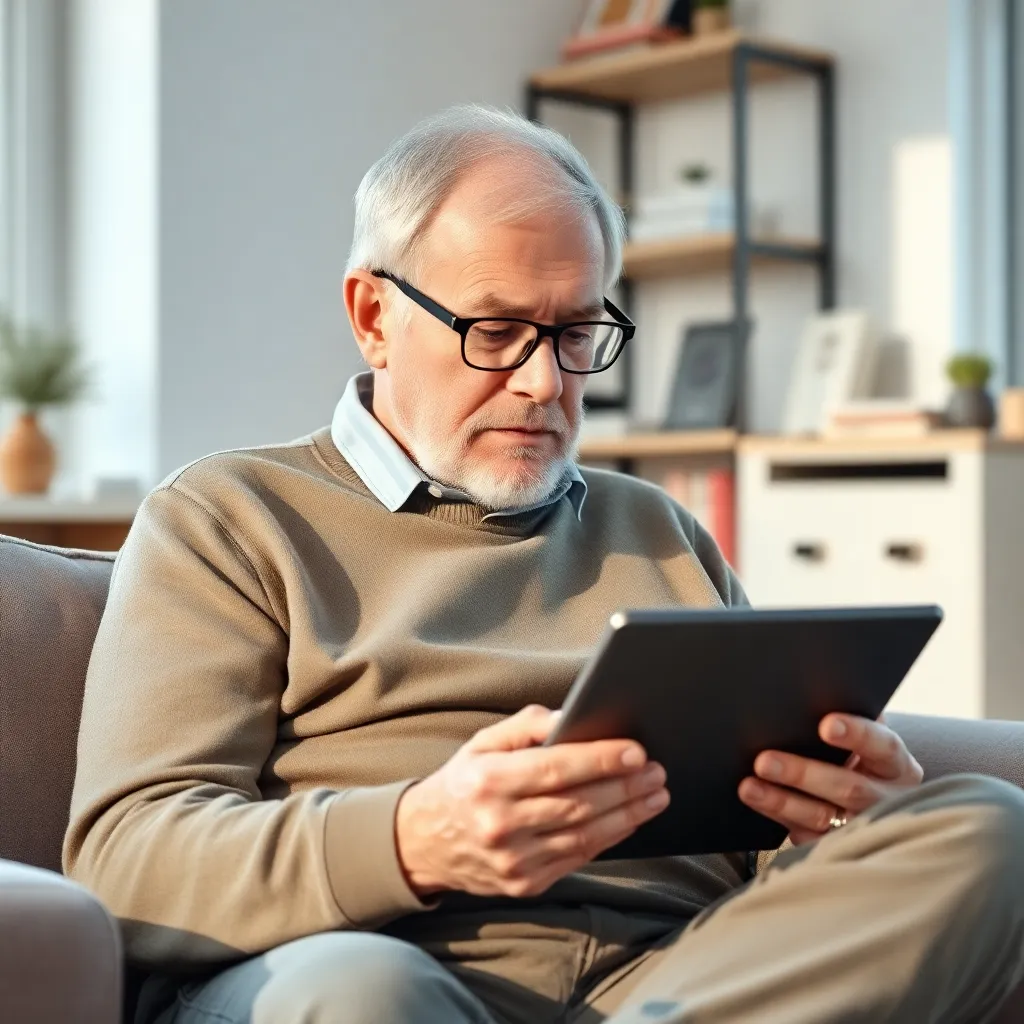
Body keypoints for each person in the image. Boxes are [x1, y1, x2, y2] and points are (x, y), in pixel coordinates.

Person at [64, 104, 1024, 1024]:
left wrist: (841, 823)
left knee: (990, 830)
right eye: (494, 331)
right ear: (373, 315)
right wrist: (414, 836)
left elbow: (761, 869)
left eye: (575, 334)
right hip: (375, 969)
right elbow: (124, 862)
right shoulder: (231, 517)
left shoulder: (659, 530)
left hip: (680, 982)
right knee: (362, 997)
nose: (544, 383)